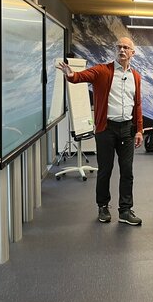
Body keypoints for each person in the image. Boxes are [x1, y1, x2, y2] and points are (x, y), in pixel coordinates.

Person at [58, 37, 143, 225]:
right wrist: (71, 75)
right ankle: (103, 206)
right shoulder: (102, 70)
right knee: (106, 169)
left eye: (126, 47)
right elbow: (81, 77)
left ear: (132, 53)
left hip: (127, 129)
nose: (121, 50)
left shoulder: (135, 76)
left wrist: (139, 130)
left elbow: (137, 104)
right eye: (119, 47)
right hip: (107, 129)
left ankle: (125, 210)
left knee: (127, 171)